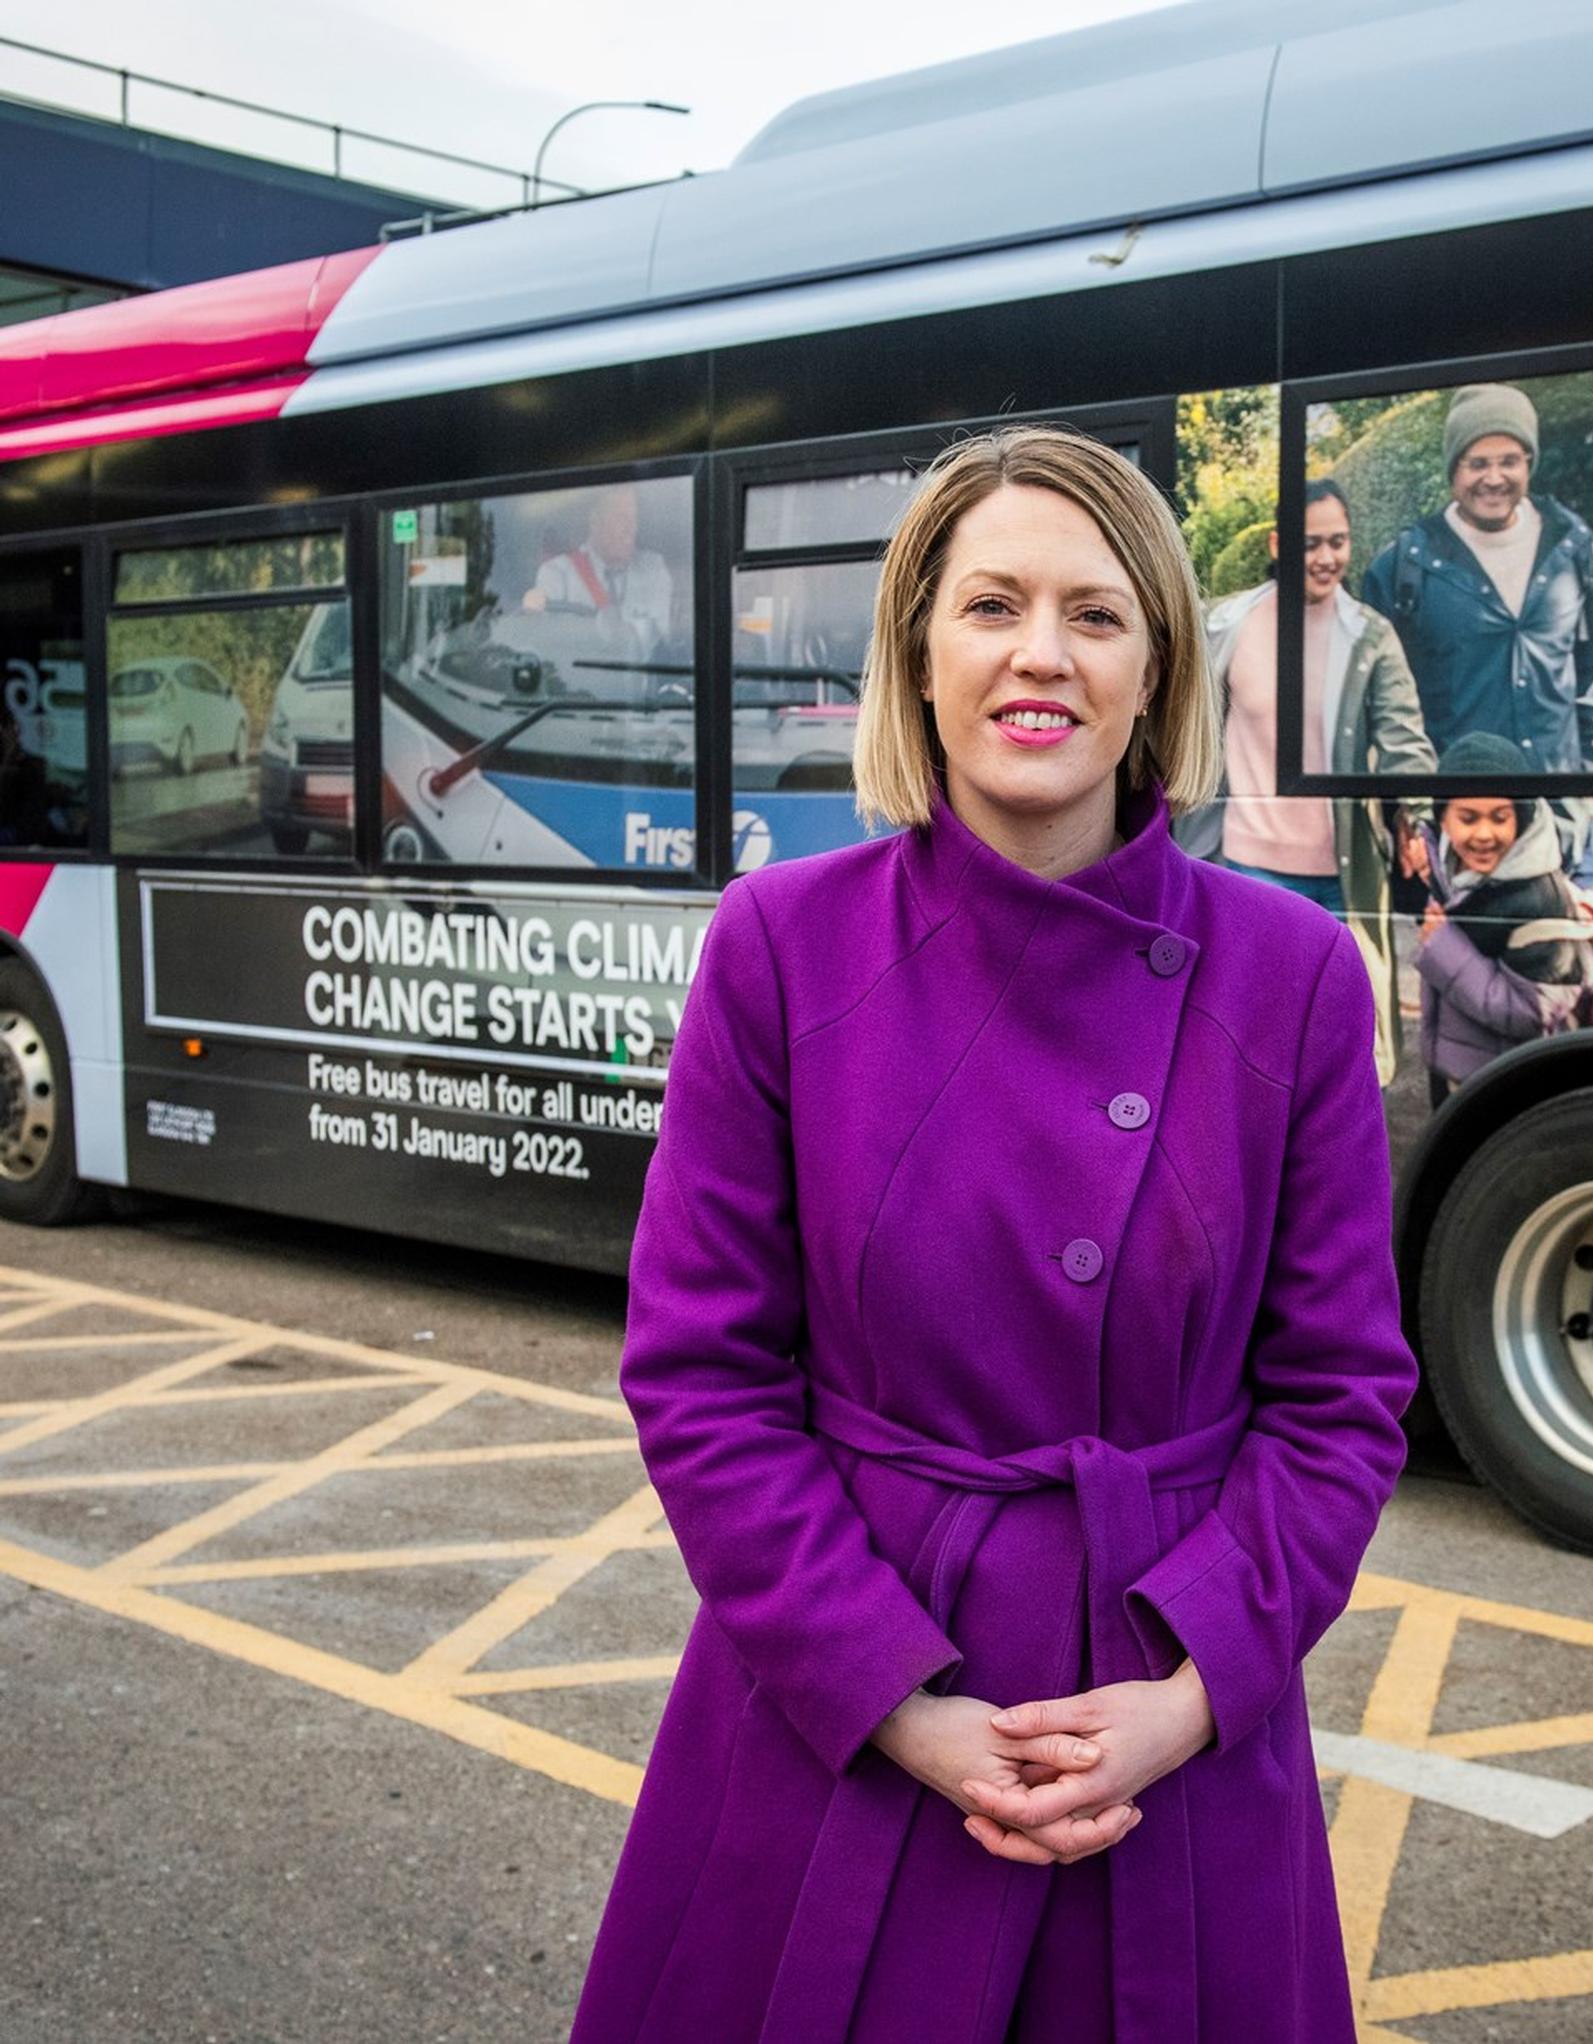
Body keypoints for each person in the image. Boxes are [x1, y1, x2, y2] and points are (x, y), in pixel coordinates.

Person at [569, 427, 1417, 2044]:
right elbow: (703, 1376)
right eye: (992, 605)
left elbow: (1339, 1395)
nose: (1041, 654)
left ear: (1158, 661)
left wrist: (1185, 1700)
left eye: (1096, 614)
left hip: (1166, 1726)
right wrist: (902, 1702)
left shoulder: (1293, 975)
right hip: (858, 1708)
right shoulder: (777, 943)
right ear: (920, 649)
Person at [1204, 478, 1435, 1083]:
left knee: (1346, 1050)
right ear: (1281, 543)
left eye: (1339, 542)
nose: (1327, 557)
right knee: (1256, 1043)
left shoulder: (1371, 636)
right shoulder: (1226, 624)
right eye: (1311, 543)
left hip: (1345, 876)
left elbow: (1404, 736)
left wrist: (1416, 815)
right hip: (1249, 869)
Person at [1361, 382, 1593, 884]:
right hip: (1459, 829)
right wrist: (1406, 810)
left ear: (1529, 461)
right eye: (1477, 463)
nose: (1494, 477)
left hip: (1565, 820)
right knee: (1458, 962)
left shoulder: (1576, 550)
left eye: (1509, 460)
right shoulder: (1404, 566)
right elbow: (1382, 706)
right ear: (1453, 471)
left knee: (1575, 957)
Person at [1415, 732, 1593, 1108]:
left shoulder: (1537, 897)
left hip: (1512, 1091)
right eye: (1468, 818)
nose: (1484, 834)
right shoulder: (1454, 871)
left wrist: (1442, 947)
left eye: (1500, 818)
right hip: (1463, 1076)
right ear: (1444, 820)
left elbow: (1534, 1011)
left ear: (1523, 817)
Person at [522, 482, 673, 651]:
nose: (630, 528)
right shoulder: (557, 574)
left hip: (641, 675)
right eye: (620, 518)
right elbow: (543, 640)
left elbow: (661, 642)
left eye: (633, 518)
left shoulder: (653, 569)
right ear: (595, 522)